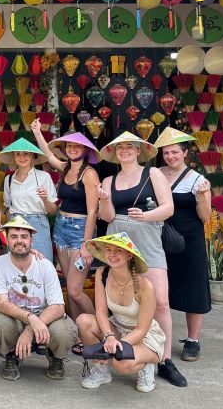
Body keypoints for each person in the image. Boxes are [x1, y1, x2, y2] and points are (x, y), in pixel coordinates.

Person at [96, 131, 185, 387]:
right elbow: (108, 215)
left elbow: (168, 208)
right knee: (122, 298)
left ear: (138, 150)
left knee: (160, 301)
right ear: (114, 152)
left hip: (148, 237)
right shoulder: (109, 178)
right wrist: (103, 200)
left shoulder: (153, 174)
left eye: (129, 146)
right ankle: (129, 347)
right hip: (118, 239)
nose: (124, 150)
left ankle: (165, 358)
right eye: (120, 147)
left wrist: (146, 216)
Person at [0, 216, 78, 381]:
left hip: (45, 317)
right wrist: (30, 319)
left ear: (31, 240)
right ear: (6, 239)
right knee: (0, 325)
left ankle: (55, 357)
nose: (19, 241)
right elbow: (2, 304)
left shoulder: (45, 265)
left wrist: (31, 328)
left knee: (64, 331)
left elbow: (58, 307)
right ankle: (11, 356)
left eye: (24, 237)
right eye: (14, 236)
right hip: (15, 317)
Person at [76, 232, 166, 393]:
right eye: (108, 249)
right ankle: (101, 371)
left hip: (144, 337)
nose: (112, 254)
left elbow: (142, 329)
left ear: (129, 255)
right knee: (83, 321)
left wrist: (115, 345)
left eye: (118, 250)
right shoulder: (102, 273)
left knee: (120, 364)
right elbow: (101, 313)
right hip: (117, 328)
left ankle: (147, 365)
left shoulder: (145, 286)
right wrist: (110, 337)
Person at [31, 122, 100, 319]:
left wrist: (87, 244)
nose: (72, 149)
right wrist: (37, 132)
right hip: (61, 226)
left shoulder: (89, 174)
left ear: (85, 150)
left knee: (75, 289)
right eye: (69, 146)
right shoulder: (65, 168)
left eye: (76, 146)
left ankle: (102, 329)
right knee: (69, 287)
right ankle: (79, 332)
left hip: (80, 231)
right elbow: (49, 155)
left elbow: (93, 210)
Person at [155, 127, 212, 362]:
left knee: (193, 288)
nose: (171, 157)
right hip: (159, 238)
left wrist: (200, 195)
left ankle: (192, 340)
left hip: (190, 240)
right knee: (159, 290)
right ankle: (158, 336)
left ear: (185, 152)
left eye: (175, 152)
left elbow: (206, 216)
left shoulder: (198, 180)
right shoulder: (156, 173)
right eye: (167, 153)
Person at [0, 138, 57, 262]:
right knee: (16, 265)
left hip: (38, 224)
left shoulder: (44, 177)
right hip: (16, 224)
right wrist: (7, 231)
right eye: (18, 154)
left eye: (26, 153)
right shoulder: (9, 179)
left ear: (32, 155)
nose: (22, 157)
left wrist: (45, 200)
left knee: (42, 264)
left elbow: (52, 210)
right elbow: (9, 208)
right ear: (13, 156)